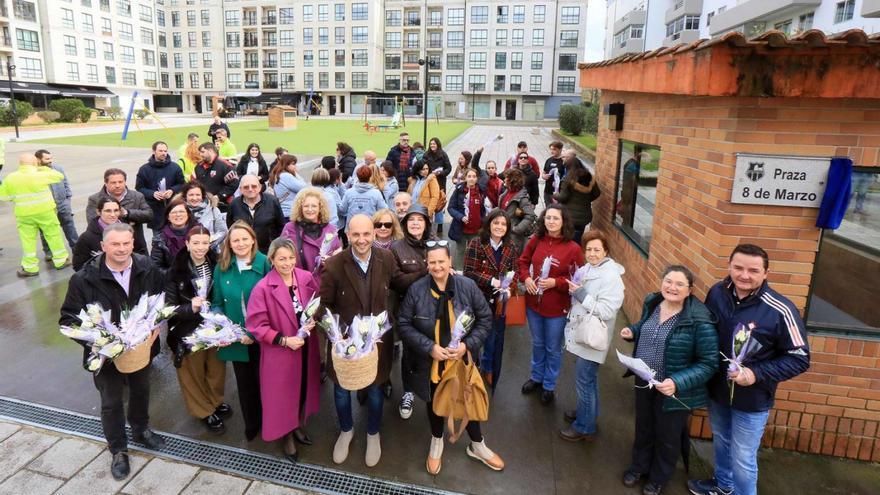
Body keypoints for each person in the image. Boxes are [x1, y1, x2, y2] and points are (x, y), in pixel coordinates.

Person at [688, 244, 810, 495]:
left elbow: (800, 358)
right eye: (738, 268)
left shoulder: (781, 309)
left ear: (766, 273)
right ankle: (723, 485)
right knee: (721, 440)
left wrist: (756, 374)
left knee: (743, 458)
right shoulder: (717, 293)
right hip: (718, 390)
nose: (744, 275)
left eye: (753, 270)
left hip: (753, 397)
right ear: (729, 266)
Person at [59, 223, 167, 480]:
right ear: (103, 246)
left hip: (139, 349)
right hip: (105, 356)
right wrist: (99, 343)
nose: (121, 249)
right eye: (115, 244)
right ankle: (118, 449)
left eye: (126, 243)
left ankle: (141, 429)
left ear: (133, 243)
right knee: (111, 403)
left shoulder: (146, 267)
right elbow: (68, 319)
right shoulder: (84, 279)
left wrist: (155, 326)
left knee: (141, 390)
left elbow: (160, 299)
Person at [398, 241, 504, 474]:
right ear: (427, 264)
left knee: (468, 401)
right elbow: (404, 324)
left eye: (441, 262)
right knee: (435, 402)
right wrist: (429, 347)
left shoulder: (467, 286)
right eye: (432, 262)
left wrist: (467, 345)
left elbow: (485, 319)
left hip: (461, 361)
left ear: (450, 262)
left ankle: (478, 445)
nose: (437, 267)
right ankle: (437, 441)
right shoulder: (417, 290)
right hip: (432, 362)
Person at [619, 265, 717, 495]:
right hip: (645, 379)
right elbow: (645, 326)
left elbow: (709, 363)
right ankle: (639, 466)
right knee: (644, 427)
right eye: (668, 281)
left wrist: (677, 382)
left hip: (673, 390)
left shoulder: (699, 320)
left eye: (679, 284)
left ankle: (658, 477)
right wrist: (633, 331)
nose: (672, 287)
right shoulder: (653, 302)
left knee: (667, 436)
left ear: (689, 290)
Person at [318, 214, 406, 468]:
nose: (362, 239)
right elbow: (323, 305)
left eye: (367, 234)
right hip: (345, 342)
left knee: (376, 390)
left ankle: (372, 433)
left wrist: (432, 272)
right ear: (347, 235)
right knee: (342, 390)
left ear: (375, 234)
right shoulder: (335, 264)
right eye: (355, 234)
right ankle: (346, 430)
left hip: (378, 341)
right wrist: (337, 335)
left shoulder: (386, 258)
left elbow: (400, 282)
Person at [247, 237, 322, 462]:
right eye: (281, 259)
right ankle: (286, 435)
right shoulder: (262, 288)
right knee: (282, 397)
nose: (287, 263)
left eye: (291, 258)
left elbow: (317, 305)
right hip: (281, 351)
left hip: (306, 347)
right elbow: (257, 326)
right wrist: (284, 340)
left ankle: (298, 424)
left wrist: (314, 320)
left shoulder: (306, 277)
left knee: (302, 389)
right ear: (271, 259)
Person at [164, 225, 231, 434]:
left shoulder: (217, 263)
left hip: (213, 327)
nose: (201, 247)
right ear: (187, 243)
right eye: (196, 243)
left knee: (216, 369)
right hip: (187, 330)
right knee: (192, 373)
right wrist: (189, 308)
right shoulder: (176, 271)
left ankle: (215, 400)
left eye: (204, 242)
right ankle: (204, 411)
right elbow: (168, 308)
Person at [560, 232, 626, 441]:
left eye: (597, 249)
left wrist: (581, 295)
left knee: (584, 381)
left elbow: (607, 310)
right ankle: (587, 414)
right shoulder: (588, 268)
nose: (592, 253)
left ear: (606, 251)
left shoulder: (611, 276)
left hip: (593, 336)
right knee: (588, 380)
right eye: (588, 249)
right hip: (583, 332)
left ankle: (584, 427)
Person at [518, 205, 584, 404]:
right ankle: (536, 377)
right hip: (533, 305)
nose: (551, 221)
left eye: (556, 218)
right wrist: (527, 278)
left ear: (564, 221)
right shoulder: (536, 240)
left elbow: (579, 279)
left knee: (553, 348)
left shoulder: (573, 248)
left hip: (557, 307)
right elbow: (522, 261)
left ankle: (549, 384)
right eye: (548, 218)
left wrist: (557, 282)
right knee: (538, 343)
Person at [211, 221, 271, 441]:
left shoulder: (265, 263)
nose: (241, 243)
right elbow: (217, 302)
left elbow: (274, 303)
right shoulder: (222, 267)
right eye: (236, 240)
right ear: (230, 243)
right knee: (245, 385)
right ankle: (252, 424)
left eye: (245, 238)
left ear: (253, 239)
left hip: (264, 337)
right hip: (237, 339)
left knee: (266, 383)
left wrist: (254, 334)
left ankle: (271, 422)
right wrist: (223, 329)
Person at [463, 209, 519, 390]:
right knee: (474, 338)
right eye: (496, 223)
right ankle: (471, 370)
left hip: (499, 303)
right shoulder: (476, 244)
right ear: (489, 224)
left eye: (503, 224)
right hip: (478, 300)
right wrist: (492, 280)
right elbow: (469, 272)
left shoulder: (511, 247)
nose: (499, 227)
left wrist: (510, 288)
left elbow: (515, 273)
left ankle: (488, 372)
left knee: (494, 339)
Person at [390, 204, 436, 419]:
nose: (416, 223)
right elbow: (397, 282)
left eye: (420, 219)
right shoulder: (396, 248)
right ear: (405, 223)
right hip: (409, 311)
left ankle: (433, 390)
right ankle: (408, 392)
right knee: (410, 354)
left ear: (427, 223)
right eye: (411, 219)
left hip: (435, 308)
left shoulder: (436, 244)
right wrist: (425, 271)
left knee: (434, 350)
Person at [0, 154, 71, 277]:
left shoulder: (11, 177)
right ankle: (61, 261)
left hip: (24, 214)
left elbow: (3, 196)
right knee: (53, 235)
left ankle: (30, 268)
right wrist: (42, 168)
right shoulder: (40, 173)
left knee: (28, 240)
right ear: (35, 163)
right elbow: (59, 176)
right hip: (45, 212)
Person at [280, 187, 341, 284]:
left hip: (325, 285)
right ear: (300, 208)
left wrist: (331, 261)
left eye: (314, 206)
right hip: (299, 284)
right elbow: (280, 255)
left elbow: (339, 258)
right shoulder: (289, 228)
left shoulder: (331, 230)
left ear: (320, 208)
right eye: (306, 206)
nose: (310, 209)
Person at [86, 168, 151, 255]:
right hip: (109, 247)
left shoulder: (137, 196)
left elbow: (149, 215)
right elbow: (92, 222)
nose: (117, 185)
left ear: (125, 182)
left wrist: (128, 213)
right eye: (113, 182)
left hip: (136, 246)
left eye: (120, 182)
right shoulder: (95, 199)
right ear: (106, 183)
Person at [36, 149, 78, 260]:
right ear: (39, 160)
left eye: (51, 158)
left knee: (69, 226)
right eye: (47, 159)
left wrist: (68, 199)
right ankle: (48, 251)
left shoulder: (58, 169)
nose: (50, 161)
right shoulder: (35, 173)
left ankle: (76, 248)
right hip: (46, 208)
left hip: (62, 204)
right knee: (45, 230)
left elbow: (66, 183)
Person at [227, 175, 286, 254]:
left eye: (254, 186)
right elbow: (231, 227)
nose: (250, 189)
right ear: (240, 189)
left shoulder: (272, 201)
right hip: (244, 251)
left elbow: (281, 227)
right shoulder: (234, 204)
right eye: (246, 187)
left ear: (260, 187)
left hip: (269, 251)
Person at [136, 141, 186, 231]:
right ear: (153, 151)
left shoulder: (175, 167)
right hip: (154, 210)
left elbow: (182, 184)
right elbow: (139, 188)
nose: (164, 153)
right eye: (161, 151)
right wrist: (152, 193)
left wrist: (172, 190)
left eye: (165, 151)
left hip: (173, 208)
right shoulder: (144, 169)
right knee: (158, 240)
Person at [555, 155, 600, 243]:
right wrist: (586, 200)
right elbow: (597, 193)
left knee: (568, 238)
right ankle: (577, 249)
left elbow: (563, 197)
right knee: (578, 235)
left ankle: (571, 252)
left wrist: (555, 195)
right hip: (585, 215)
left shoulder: (569, 180)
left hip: (570, 215)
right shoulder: (590, 178)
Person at [448, 168, 486, 268]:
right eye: (469, 176)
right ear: (465, 178)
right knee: (460, 251)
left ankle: (471, 271)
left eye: (474, 176)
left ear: (477, 178)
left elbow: (483, 209)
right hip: (461, 229)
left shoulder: (481, 191)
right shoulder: (459, 190)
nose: (471, 179)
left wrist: (482, 221)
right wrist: (460, 217)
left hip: (475, 230)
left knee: (473, 252)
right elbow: (451, 208)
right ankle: (460, 271)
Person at [72, 198, 122, 271]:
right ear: (98, 212)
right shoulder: (86, 238)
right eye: (108, 211)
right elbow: (79, 267)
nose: (113, 215)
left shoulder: (128, 231)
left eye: (116, 210)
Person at [151, 198, 196, 271]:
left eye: (181, 211)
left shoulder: (199, 232)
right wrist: (173, 275)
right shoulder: (160, 239)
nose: (178, 215)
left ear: (188, 215)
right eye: (174, 212)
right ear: (168, 217)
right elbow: (155, 267)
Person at [180, 181, 227, 250]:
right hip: (185, 252)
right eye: (191, 195)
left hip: (211, 252)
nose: (195, 198)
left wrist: (208, 244)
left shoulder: (213, 210)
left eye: (198, 195)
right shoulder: (179, 211)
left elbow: (222, 231)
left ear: (202, 196)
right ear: (185, 196)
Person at [497, 168, 536, 250]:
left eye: (506, 178)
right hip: (503, 232)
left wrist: (516, 229)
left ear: (512, 180)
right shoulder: (506, 192)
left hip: (513, 238)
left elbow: (530, 216)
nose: (504, 180)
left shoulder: (522, 198)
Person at [195, 143, 239, 212]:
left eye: (203, 152)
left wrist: (219, 196)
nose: (200, 154)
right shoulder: (199, 166)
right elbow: (194, 184)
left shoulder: (225, 166)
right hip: (202, 205)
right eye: (200, 152)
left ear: (211, 151)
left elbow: (234, 184)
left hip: (221, 206)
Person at [424, 138, 452, 234]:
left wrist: (441, 173)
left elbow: (449, 168)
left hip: (440, 181)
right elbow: (422, 166)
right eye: (431, 144)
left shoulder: (443, 154)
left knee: (439, 203)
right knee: (430, 202)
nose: (432, 145)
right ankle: (429, 223)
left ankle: (439, 224)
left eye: (434, 144)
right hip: (429, 181)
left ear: (438, 145)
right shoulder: (426, 154)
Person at [269, 154, 306, 218]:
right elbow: (304, 188)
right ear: (286, 164)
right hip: (290, 212)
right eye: (293, 164)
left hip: (282, 211)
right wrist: (296, 173)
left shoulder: (278, 175)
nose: (295, 166)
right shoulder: (286, 176)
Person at [542, 141, 565, 207]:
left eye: (554, 149)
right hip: (547, 191)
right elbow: (544, 172)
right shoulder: (549, 160)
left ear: (560, 149)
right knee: (548, 210)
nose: (552, 151)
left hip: (558, 192)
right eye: (551, 149)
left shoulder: (563, 161)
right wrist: (543, 176)